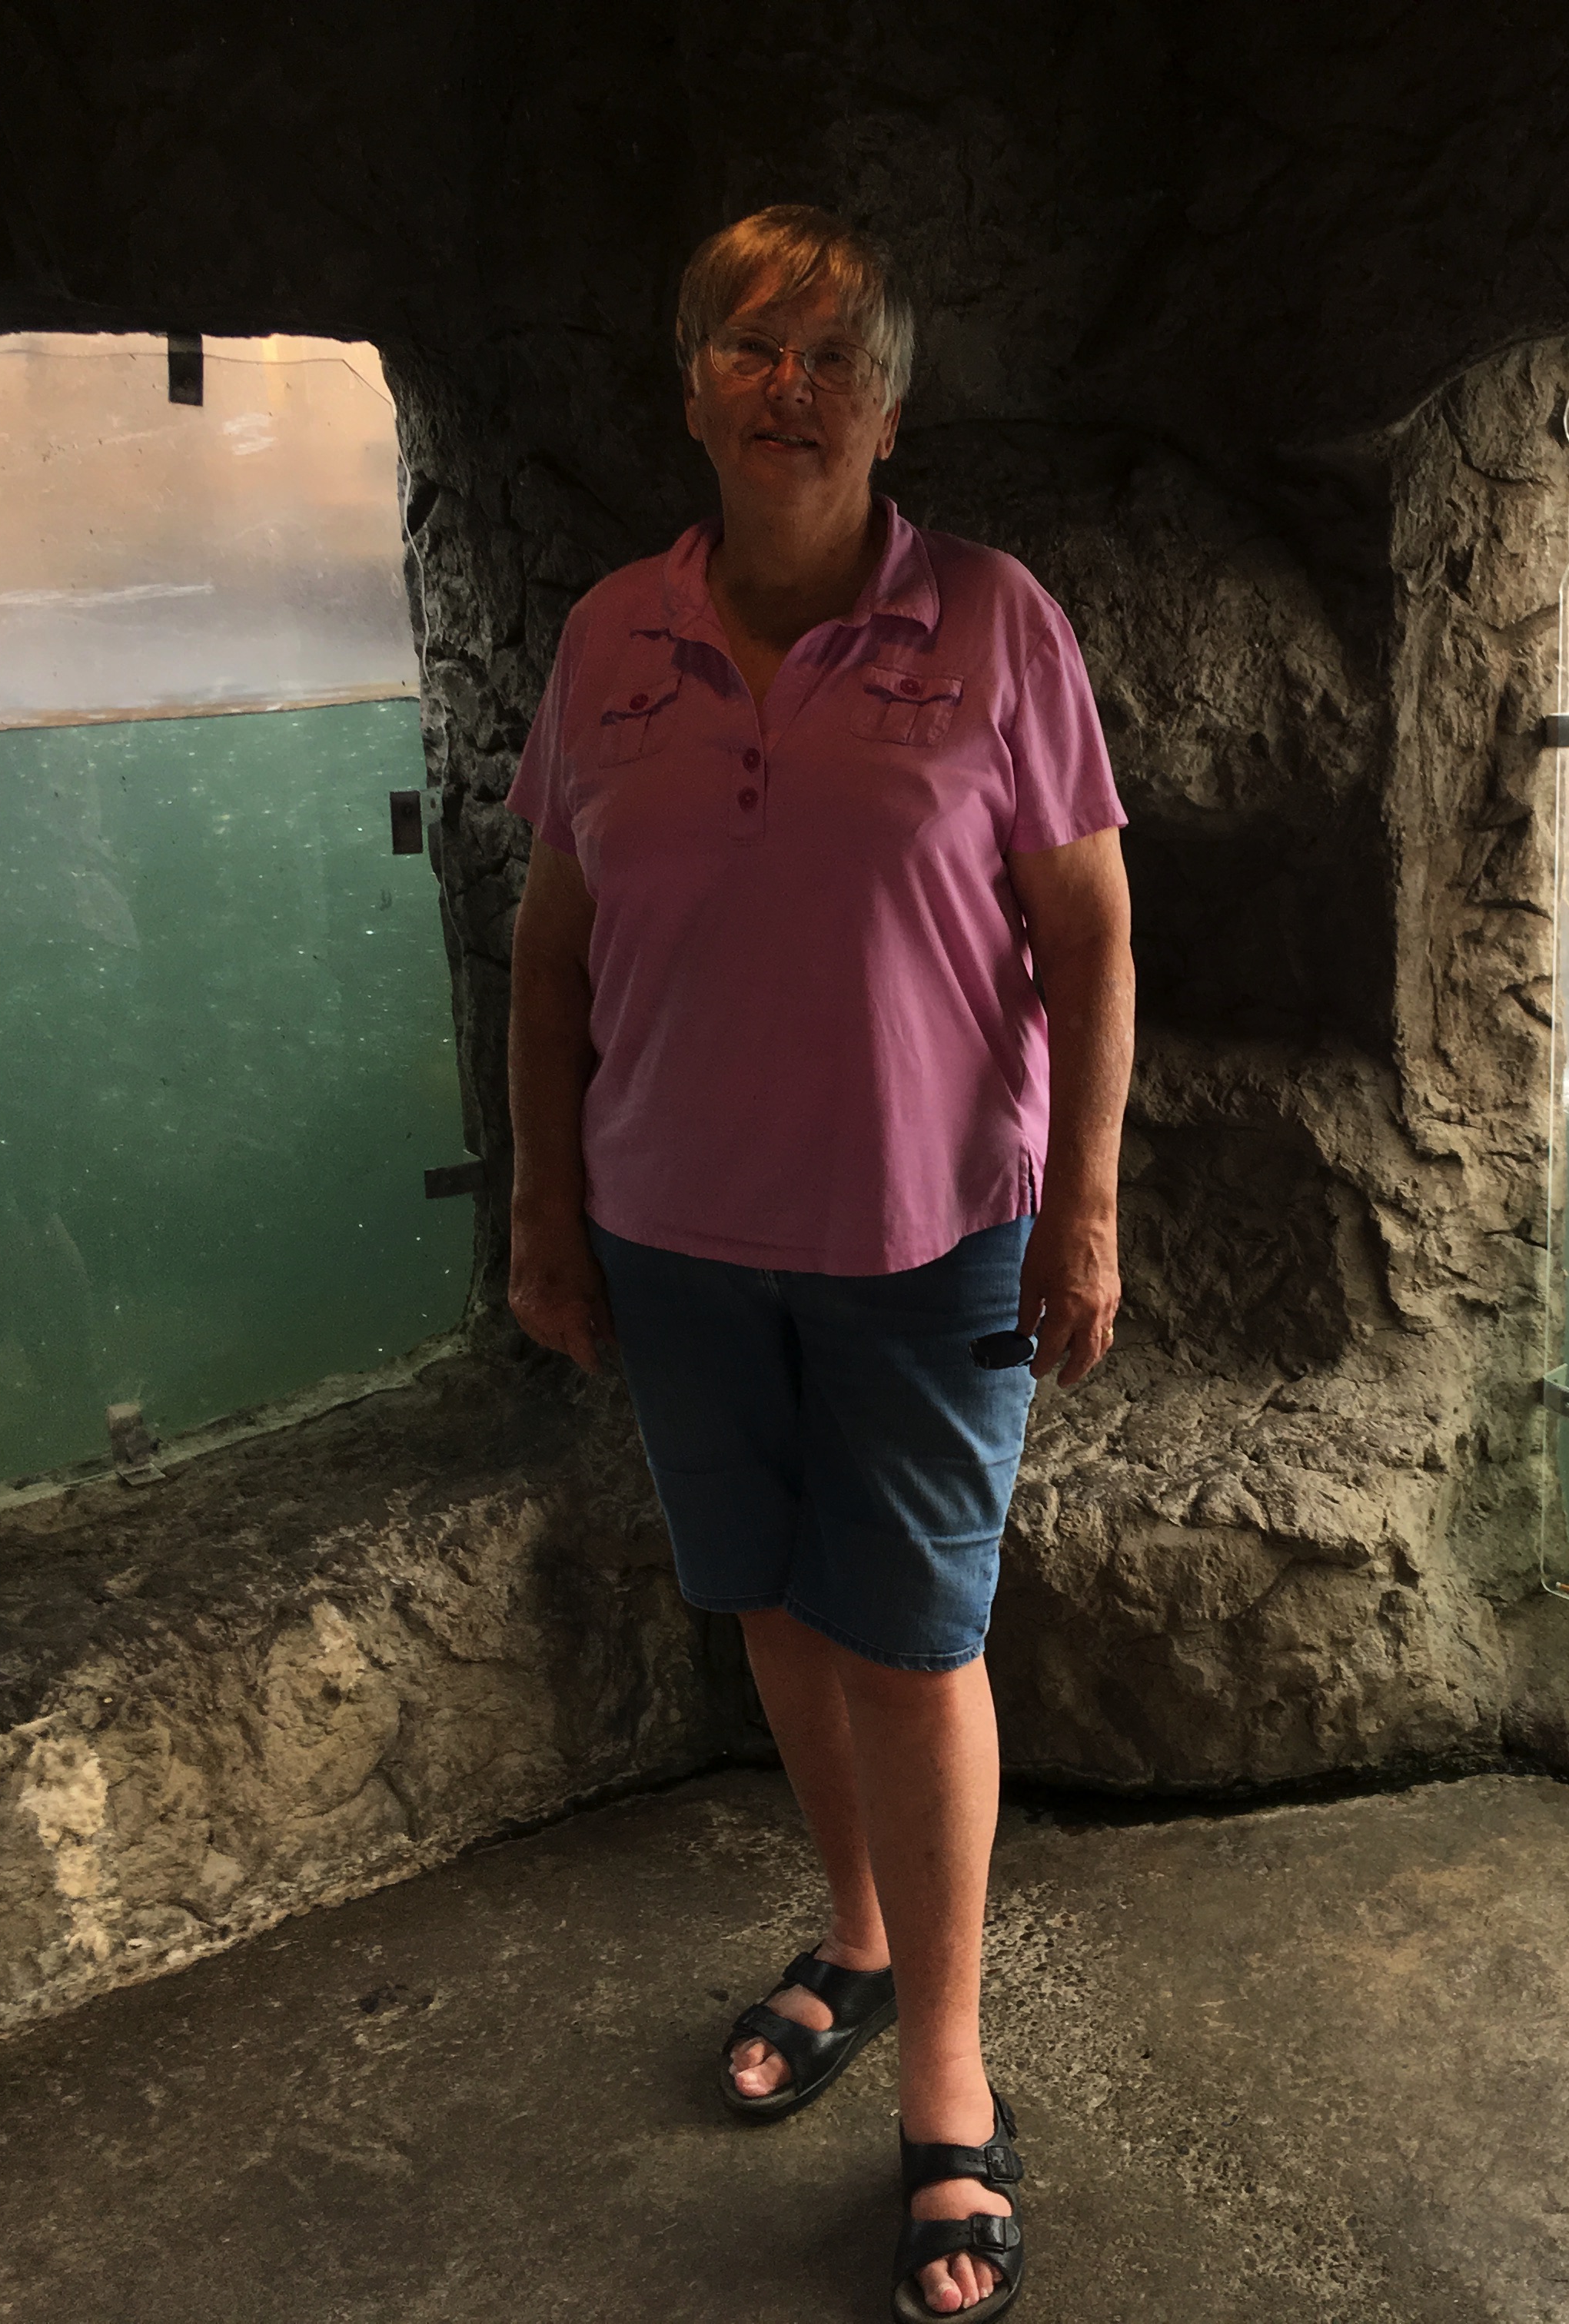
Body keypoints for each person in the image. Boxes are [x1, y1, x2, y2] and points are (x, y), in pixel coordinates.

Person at [500, 204, 1131, 2324]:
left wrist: (1088, 1207)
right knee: (772, 1600)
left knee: (916, 1636)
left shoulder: (995, 621)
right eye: (750, 349)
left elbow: (1093, 935)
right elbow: (553, 948)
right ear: (689, 388)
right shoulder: (609, 636)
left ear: (893, 404)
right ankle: (854, 1939)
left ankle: (946, 2071)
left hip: (928, 1233)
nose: (792, 386)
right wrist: (544, 1207)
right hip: (675, 1227)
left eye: (835, 354)